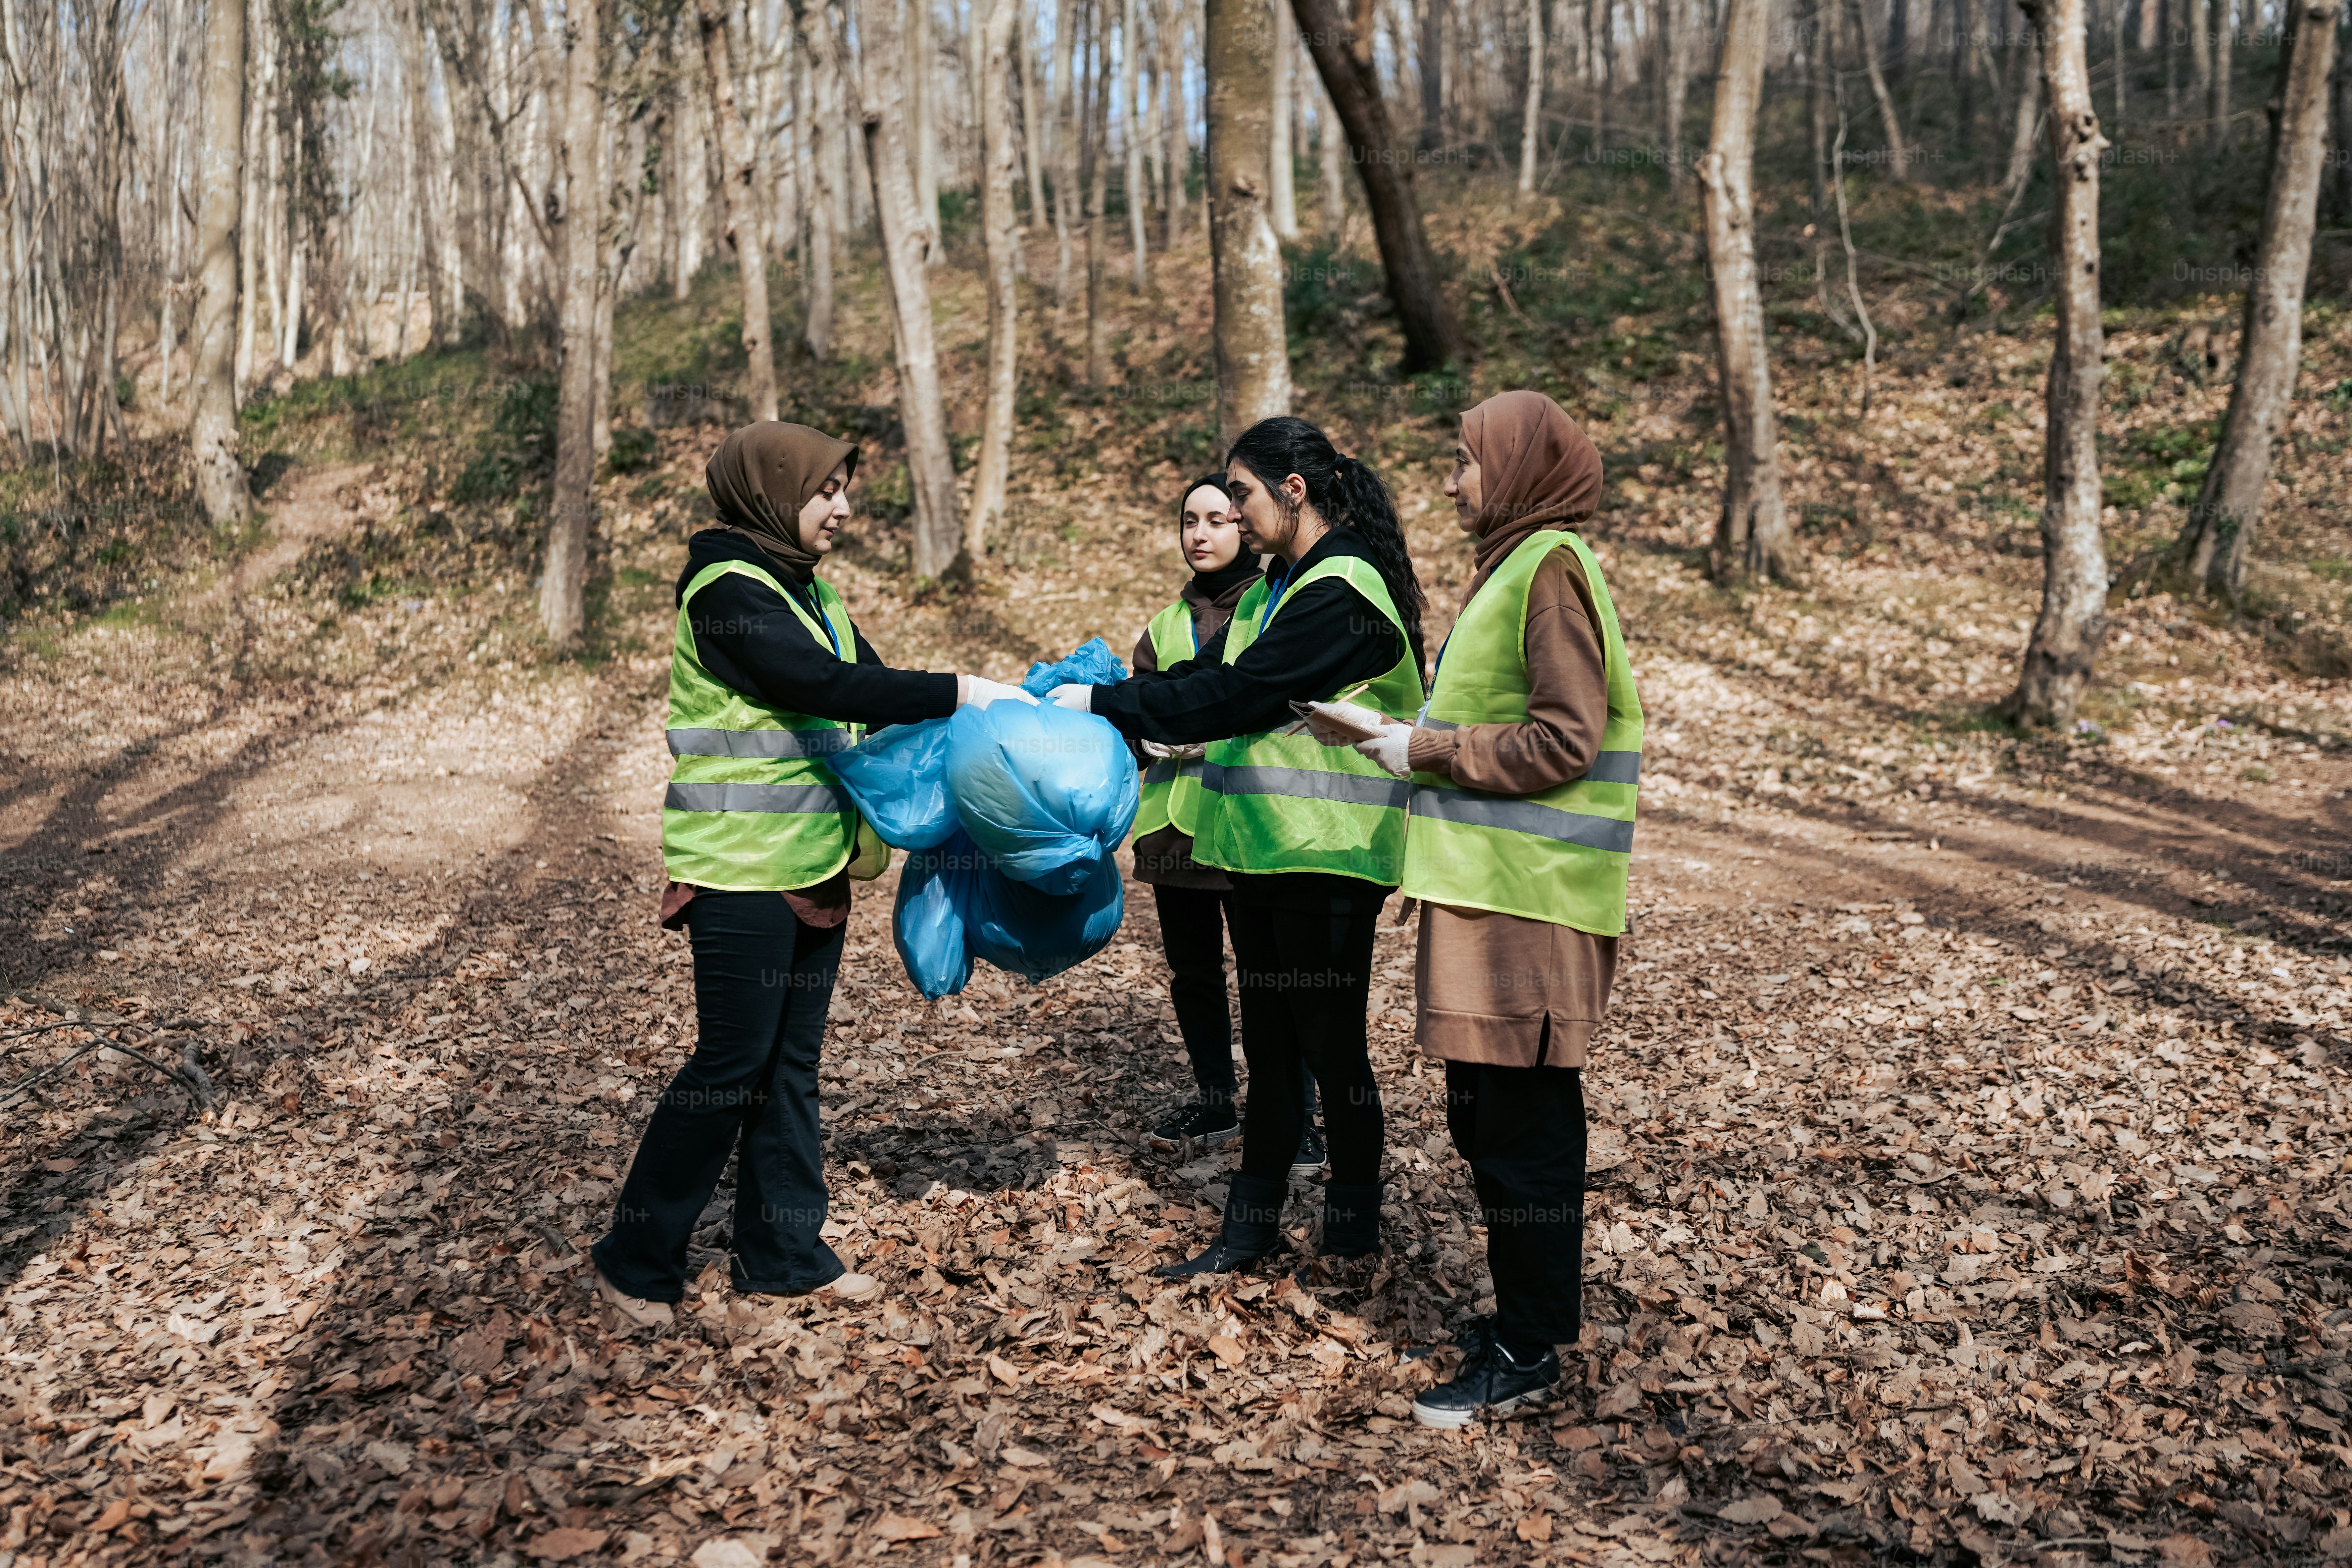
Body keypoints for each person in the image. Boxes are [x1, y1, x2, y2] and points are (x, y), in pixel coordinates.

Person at [591, 421, 1036, 1328]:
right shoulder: (725, 590)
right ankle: (634, 1258)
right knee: (730, 1064)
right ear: (771, 492)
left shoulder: (810, 592)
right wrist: (962, 689)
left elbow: (871, 690)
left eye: (844, 491)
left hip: (811, 867)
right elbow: (823, 686)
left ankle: (784, 1253)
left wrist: (996, 733)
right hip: (739, 871)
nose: (842, 508)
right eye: (825, 491)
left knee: (787, 1067)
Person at [1051, 417, 1426, 1279]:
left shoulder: (1346, 589)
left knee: (1332, 1049)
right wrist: (1102, 695)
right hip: (1264, 854)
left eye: (1245, 496)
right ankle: (1248, 1230)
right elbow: (1196, 680)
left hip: (1329, 856)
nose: (1235, 514)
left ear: (1294, 491)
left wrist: (1106, 709)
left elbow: (1244, 693)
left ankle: (1352, 1230)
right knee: (1271, 1048)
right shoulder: (1276, 589)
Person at [1348, 391, 1638, 1427]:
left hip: (1530, 903)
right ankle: (1532, 1319)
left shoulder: (1548, 571)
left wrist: (1422, 749)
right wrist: (1401, 734)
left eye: (1465, 461)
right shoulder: (1516, 566)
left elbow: (1566, 739)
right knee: (1491, 1115)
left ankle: (1526, 1351)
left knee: (1519, 1126)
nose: (1450, 479)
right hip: (1489, 897)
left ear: (1514, 469)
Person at [1130, 475, 1324, 1170]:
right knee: (1193, 971)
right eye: (1189, 520)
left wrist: (1200, 733)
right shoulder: (1161, 624)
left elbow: (1280, 708)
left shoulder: (1278, 607)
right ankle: (1216, 1097)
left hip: (1249, 824)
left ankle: (1297, 1115)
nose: (1201, 533)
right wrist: (1138, 737)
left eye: (1217, 518)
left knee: (1269, 977)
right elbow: (1140, 705)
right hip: (1173, 828)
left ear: (1247, 527)